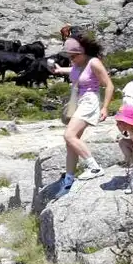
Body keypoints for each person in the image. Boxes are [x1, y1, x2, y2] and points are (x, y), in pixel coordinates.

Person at [51, 34, 115, 193]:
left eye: (73, 56)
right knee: (71, 142)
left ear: (83, 52)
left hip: (89, 101)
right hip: (78, 101)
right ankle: (69, 179)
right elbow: (73, 70)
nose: (71, 59)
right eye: (69, 56)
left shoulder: (94, 62)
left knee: (69, 135)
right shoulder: (77, 65)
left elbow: (109, 85)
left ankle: (94, 167)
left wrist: (105, 107)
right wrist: (59, 70)